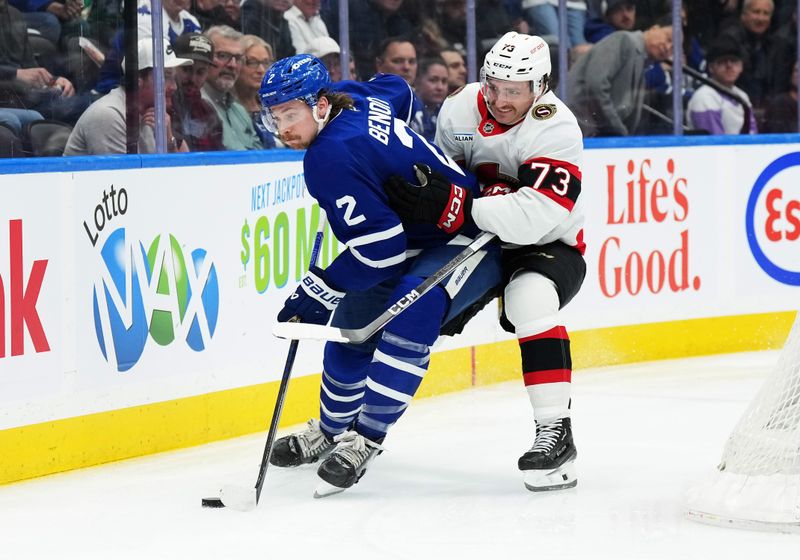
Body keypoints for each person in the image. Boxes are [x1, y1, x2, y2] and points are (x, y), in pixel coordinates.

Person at [259, 54, 502, 496]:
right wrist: (389, 159)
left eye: (290, 114)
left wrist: (321, 287)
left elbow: (382, 250)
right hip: (417, 232)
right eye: (274, 116)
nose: (282, 129)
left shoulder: (327, 157)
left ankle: (365, 440)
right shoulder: (349, 98)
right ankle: (330, 432)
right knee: (350, 327)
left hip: (463, 233)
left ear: (319, 105)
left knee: (410, 313)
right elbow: (399, 90)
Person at [383, 32, 586, 492]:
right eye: (492, 85)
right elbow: (439, 177)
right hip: (474, 237)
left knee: (529, 300)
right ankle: (343, 427)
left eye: (513, 90)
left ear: (541, 88)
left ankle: (556, 431)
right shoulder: (460, 108)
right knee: (404, 300)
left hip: (546, 243)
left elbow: (535, 217)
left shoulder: (556, 127)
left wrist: (459, 207)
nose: (499, 99)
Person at [64, 39, 192, 155]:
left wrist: (168, 139)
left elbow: (178, 174)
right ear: (138, 79)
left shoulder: (150, 113)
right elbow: (122, 180)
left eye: (173, 78)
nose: (174, 86)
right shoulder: (108, 115)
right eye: (166, 76)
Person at [567, 22, 673, 136]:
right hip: (577, 130)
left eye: (673, 49)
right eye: (668, 38)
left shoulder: (642, 59)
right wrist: (618, 129)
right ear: (654, 27)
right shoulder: (623, 40)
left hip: (592, 133)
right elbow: (596, 85)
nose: (667, 47)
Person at [202, 25, 263, 150]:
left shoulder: (239, 111)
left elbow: (260, 158)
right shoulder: (196, 106)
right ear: (204, 58)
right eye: (223, 56)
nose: (232, 65)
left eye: (238, 58)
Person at [686, 38, 757, 134]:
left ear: (741, 67)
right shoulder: (704, 97)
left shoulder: (743, 96)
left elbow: (752, 135)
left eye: (734, 61)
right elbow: (714, 143)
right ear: (711, 67)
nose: (729, 66)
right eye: (722, 61)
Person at [171, 32, 225, 151]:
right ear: (173, 66)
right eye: (186, 69)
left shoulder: (208, 112)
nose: (192, 79)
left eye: (200, 72)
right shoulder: (163, 107)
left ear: (208, 73)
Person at [234, 35, 280, 148]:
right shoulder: (230, 111)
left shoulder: (274, 107)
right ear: (237, 64)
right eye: (252, 62)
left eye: (265, 63)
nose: (261, 70)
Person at [413, 57, 448, 141]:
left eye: (444, 81)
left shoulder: (446, 110)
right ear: (417, 81)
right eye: (433, 80)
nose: (440, 87)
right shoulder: (409, 109)